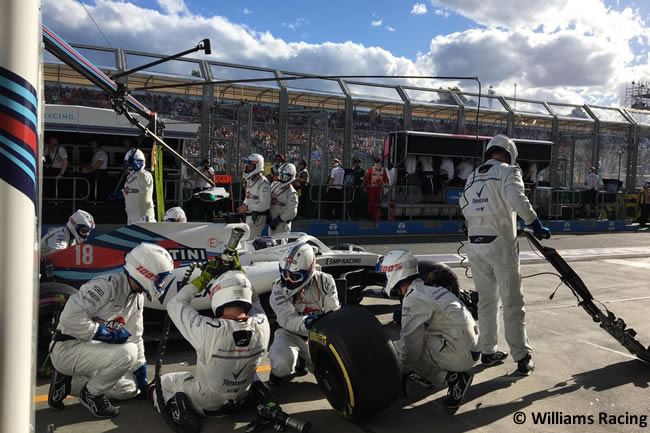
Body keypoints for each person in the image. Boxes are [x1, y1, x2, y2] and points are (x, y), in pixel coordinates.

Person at [47, 243, 174, 418]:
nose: (162, 283)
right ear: (146, 272)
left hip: (91, 352)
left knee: (129, 389)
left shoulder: (137, 299)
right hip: (67, 348)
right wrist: (106, 334)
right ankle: (90, 395)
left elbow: (136, 337)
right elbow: (70, 317)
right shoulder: (106, 286)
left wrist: (142, 378)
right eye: (161, 278)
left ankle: (68, 383)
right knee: (127, 353)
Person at [460, 134, 551, 376]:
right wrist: (533, 221)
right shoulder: (508, 172)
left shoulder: (472, 175)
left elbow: (463, 204)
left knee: (486, 300)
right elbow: (515, 197)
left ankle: (488, 351)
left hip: (475, 244)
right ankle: (522, 357)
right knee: (512, 302)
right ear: (510, 154)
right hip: (500, 244)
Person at [153, 253, 271, 433]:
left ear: (218, 296)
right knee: (252, 373)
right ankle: (261, 397)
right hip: (241, 398)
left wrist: (203, 278)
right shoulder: (263, 325)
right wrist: (239, 273)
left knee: (161, 383)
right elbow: (254, 299)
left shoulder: (207, 329)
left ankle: (176, 407)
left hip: (205, 404)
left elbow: (175, 304)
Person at [379, 250, 478, 411]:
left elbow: (411, 343)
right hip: (470, 345)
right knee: (417, 337)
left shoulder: (414, 298)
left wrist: (401, 371)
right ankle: (432, 376)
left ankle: (454, 379)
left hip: (462, 352)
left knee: (407, 347)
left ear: (396, 271)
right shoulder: (425, 288)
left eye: (386, 273)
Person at [268, 242, 340, 385]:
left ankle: (305, 362)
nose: (287, 280)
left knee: (331, 376)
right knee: (281, 363)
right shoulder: (277, 287)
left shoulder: (326, 280)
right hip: (289, 333)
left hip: (318, 336)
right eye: (284, 273)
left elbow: (333, 313)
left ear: (309, 270)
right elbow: (287, 320)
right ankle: (278, 374)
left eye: (294, 276)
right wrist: (308, 321)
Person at [238, 154, 271, 239]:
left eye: (250, 165)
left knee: (250, 243)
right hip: (249, 217)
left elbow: (265, 205)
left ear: (257, 166)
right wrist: (244, 205)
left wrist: (247, 207)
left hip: (257, 219)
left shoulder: (263, 184)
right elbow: (248, 197)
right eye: (247, 165)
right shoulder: (250, 180)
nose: (247, 167)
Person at [123, 148, 155, 225]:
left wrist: (137, 168)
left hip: (143, 218)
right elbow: (132, 191)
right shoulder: (129, 178)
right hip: (131, 217)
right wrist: (121, 193)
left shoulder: (146, 175)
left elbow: (144, 181)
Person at [269, 163, 298, 235]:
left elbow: (292, 212)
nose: (281, 178)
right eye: (280, 175)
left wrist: (279, 220)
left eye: (284, 176)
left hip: (282, 225)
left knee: (281, 245)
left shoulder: (292, 193)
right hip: (271, 221)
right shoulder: (274, 185)